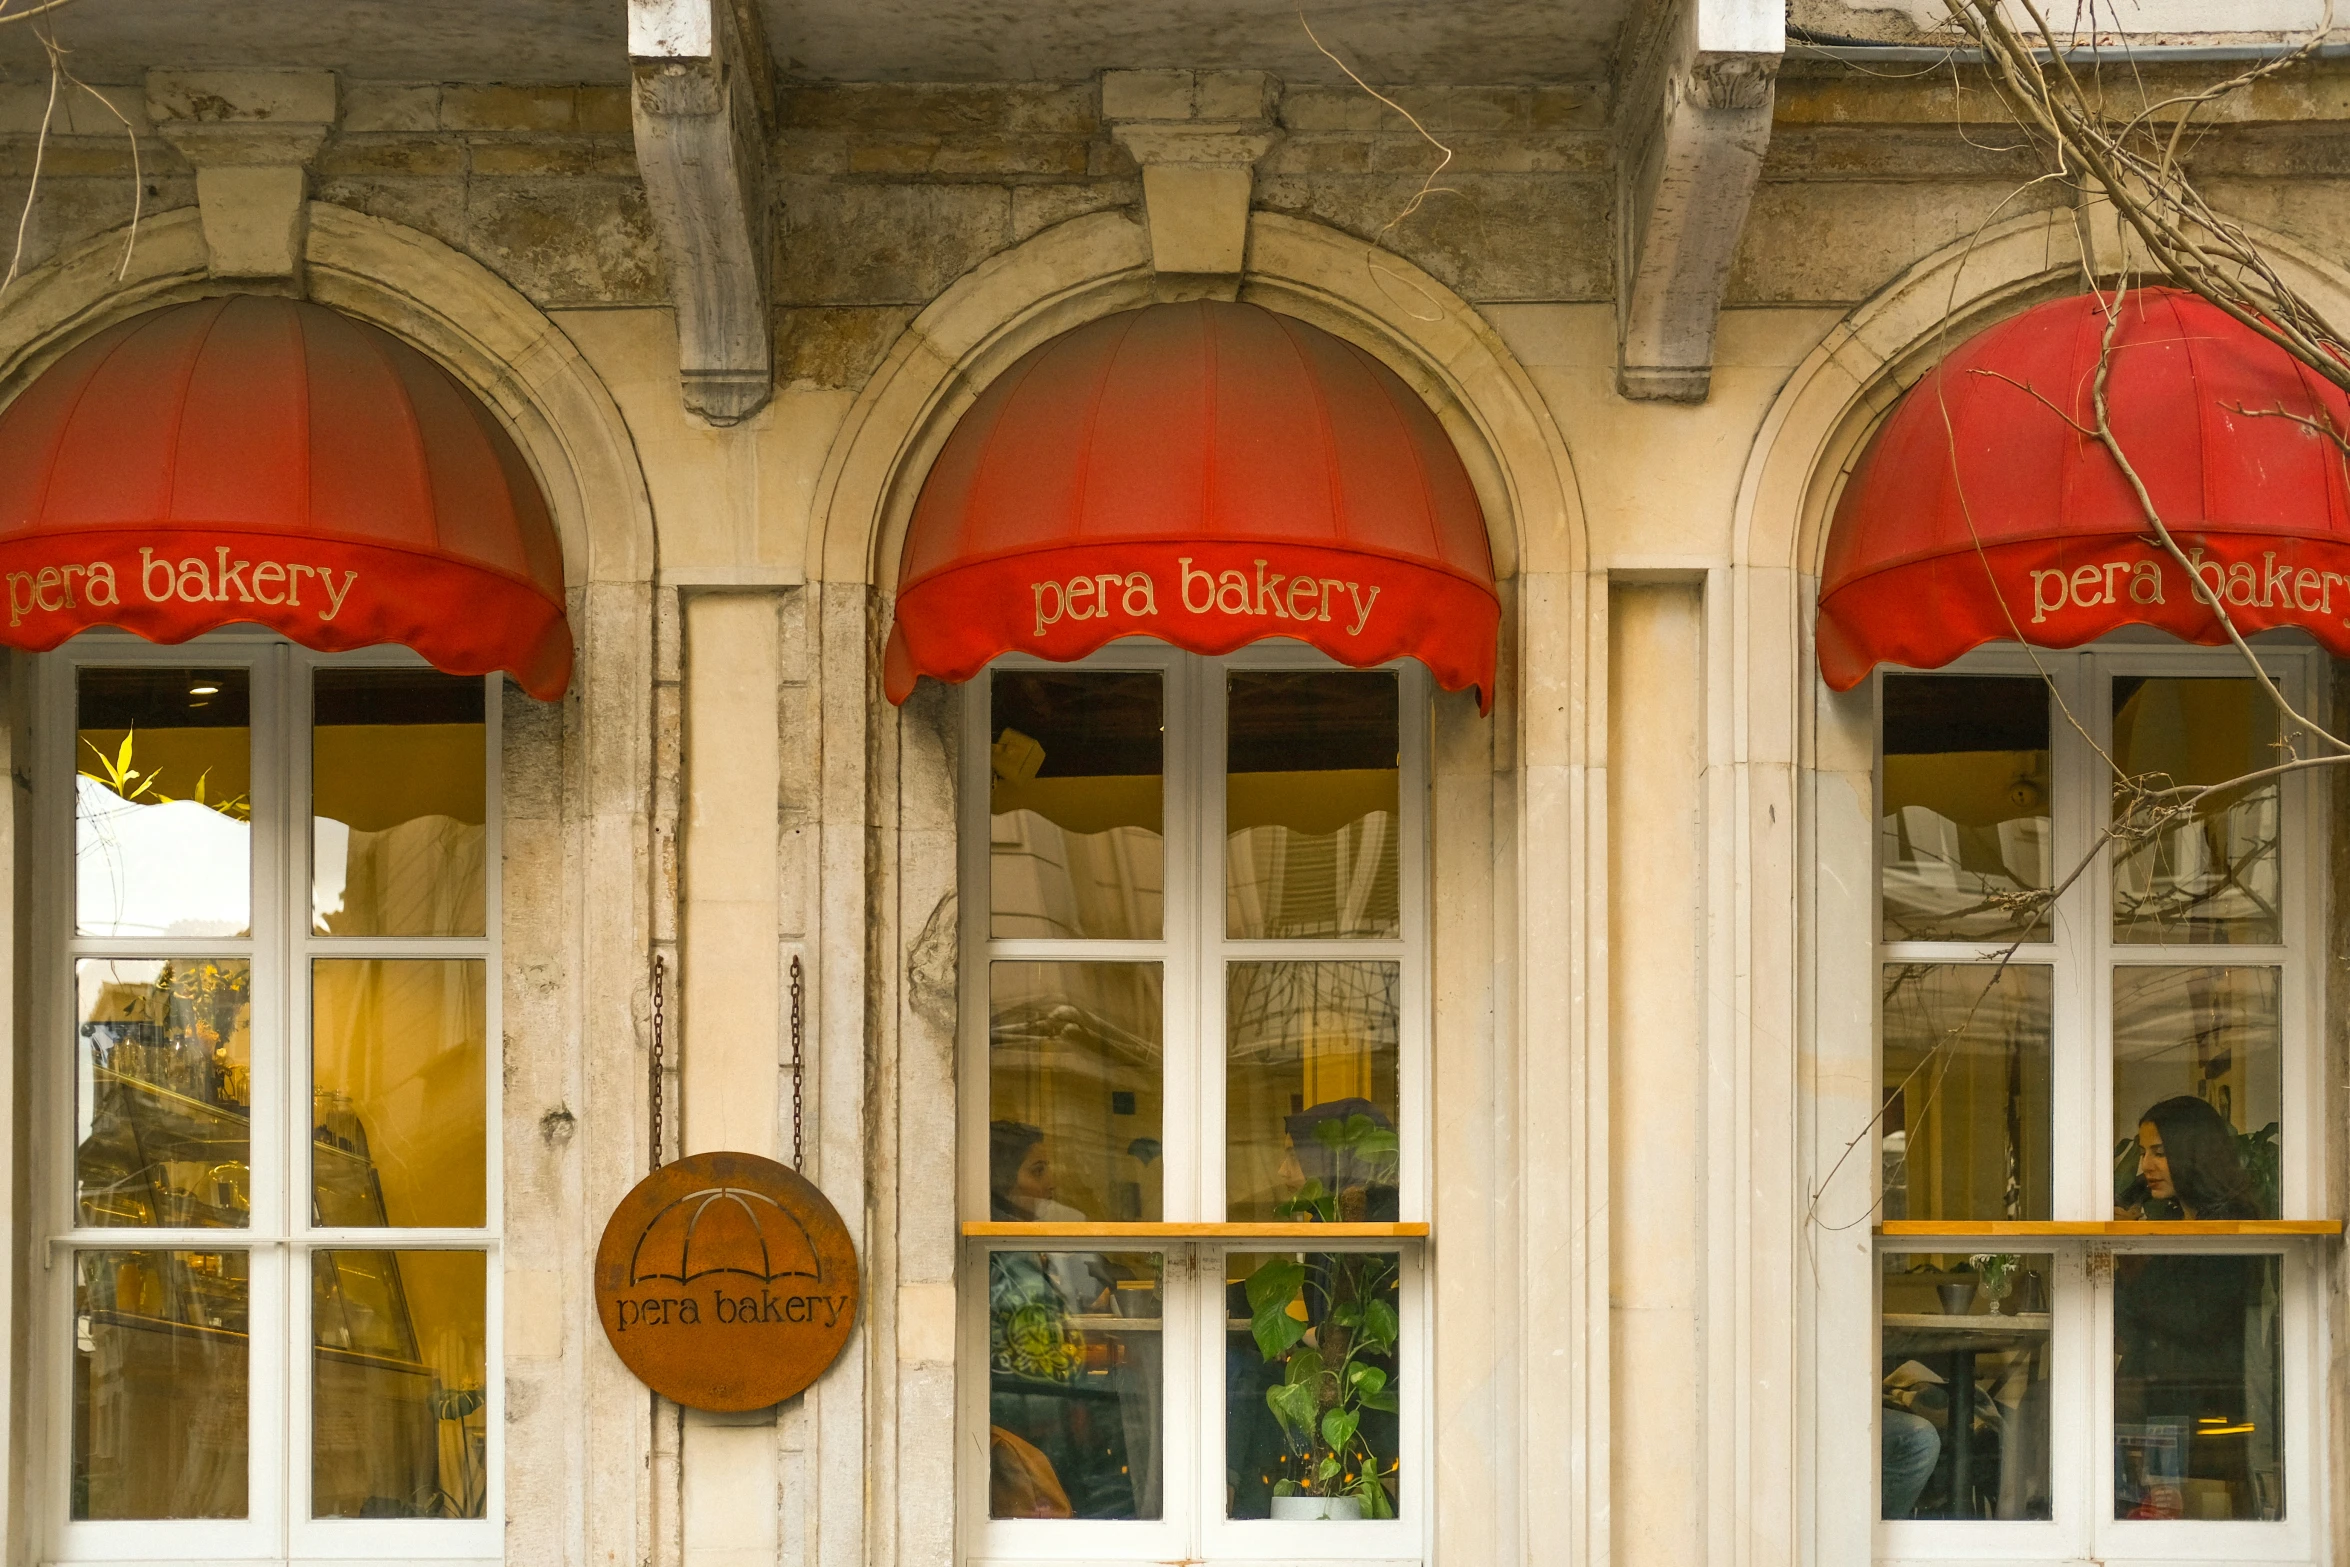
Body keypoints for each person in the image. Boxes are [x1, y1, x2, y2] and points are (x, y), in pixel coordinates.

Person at [2112, 1095, 2266, 1520]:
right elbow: (2130, 1314)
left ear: (2193, 1152)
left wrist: (2131, 1253)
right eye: (2144, 1153)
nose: (2145, 1167)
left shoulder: (2230, 1223)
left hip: (2203, 1407)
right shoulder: (2179, 1222)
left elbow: (2191, 1316)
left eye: (2160, 1153)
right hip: (2164, 1397)